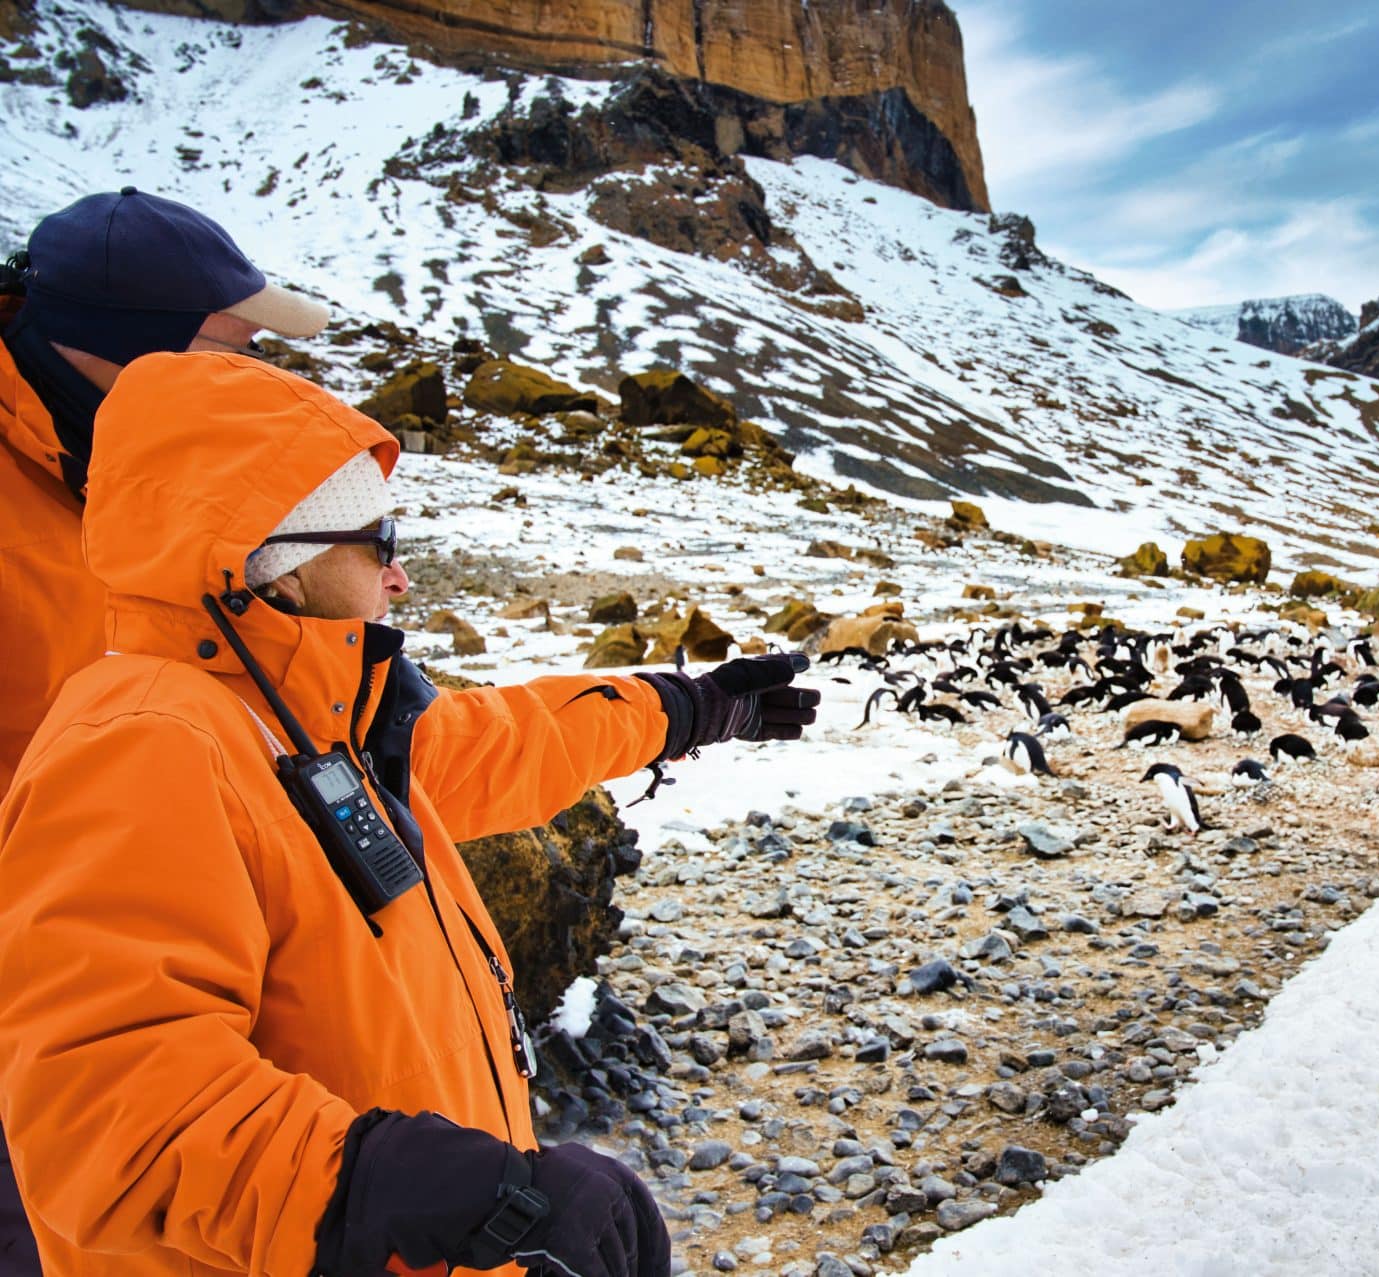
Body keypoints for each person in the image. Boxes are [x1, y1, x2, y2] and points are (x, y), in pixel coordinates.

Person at [0, 351, 820, 1275]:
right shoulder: (144, 744)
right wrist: (405, 1184)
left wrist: (690, 709)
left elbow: (498, 743)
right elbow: (111, 1115)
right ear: (279, 565)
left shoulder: (302, 715)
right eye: (380, 538)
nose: (398, 577)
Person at [0, 186, 332, 1276]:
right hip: (43, 982)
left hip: (159, 935)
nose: (257, 376)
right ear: (133, 356)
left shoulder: (137, 467)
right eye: (229, 348)